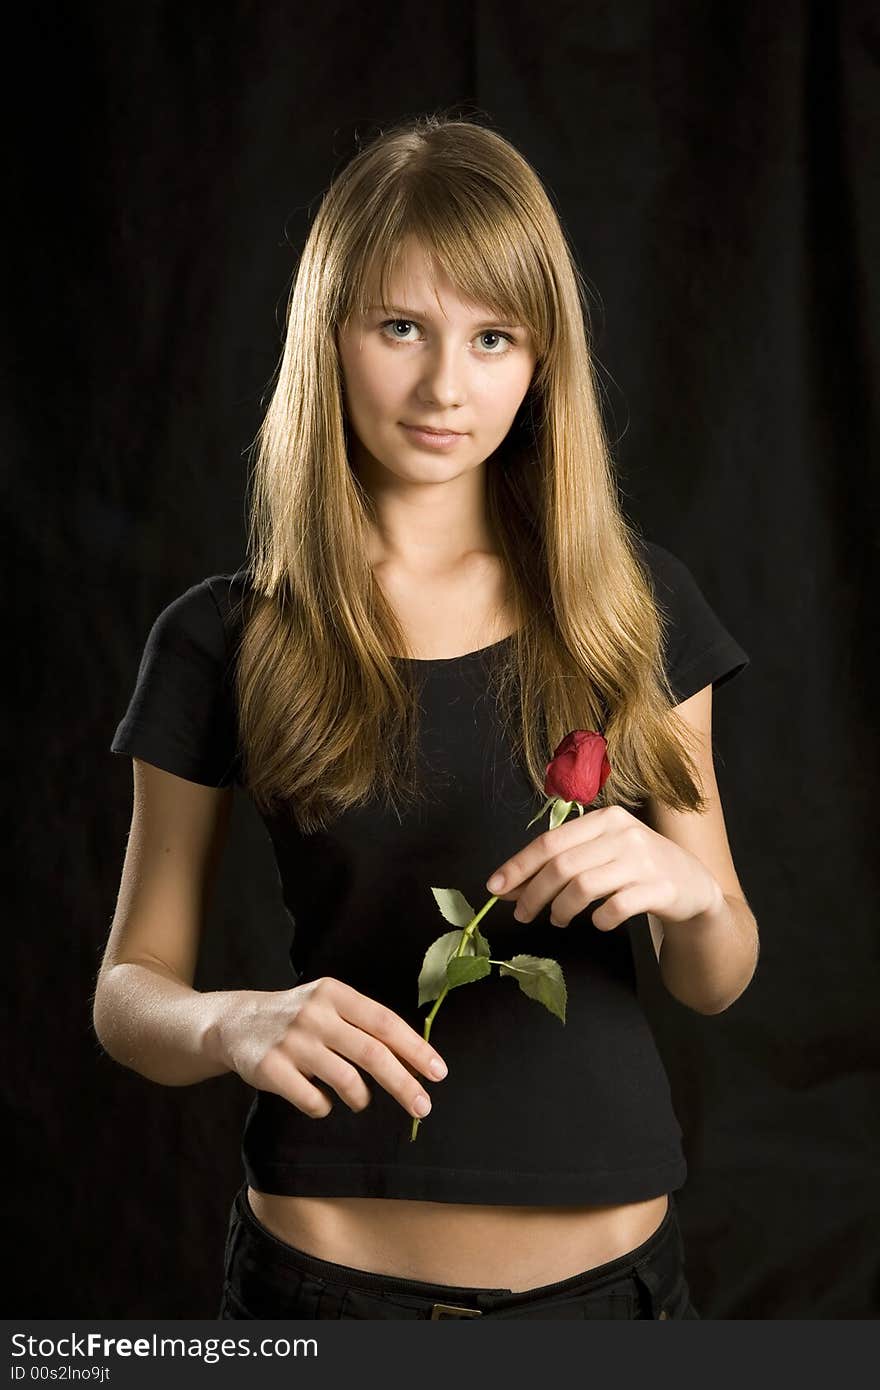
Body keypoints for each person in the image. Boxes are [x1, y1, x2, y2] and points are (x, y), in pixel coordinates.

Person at [94, 114, 758, 1320]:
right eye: (400, 326)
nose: (446, 385)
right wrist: (231, 1021)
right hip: (324, 1291)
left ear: (540, 361)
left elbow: (716, 974)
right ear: (330, 337)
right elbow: (128, 989)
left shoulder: (638, 606)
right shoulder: (219, 637)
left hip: (609, 1296)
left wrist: (691, 890)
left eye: (493, 338)